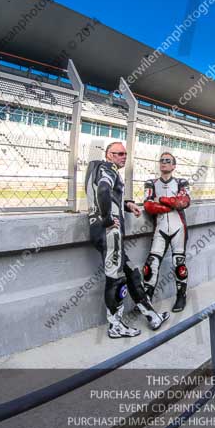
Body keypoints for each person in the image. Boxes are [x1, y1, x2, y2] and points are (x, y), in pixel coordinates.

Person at [85, 142, 169, 338]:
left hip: (102, 230)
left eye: (125, 154)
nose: (123, 157)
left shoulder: (97, 169)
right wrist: (107, 219)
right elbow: (103, 190)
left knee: (132, 274)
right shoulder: (109, 168)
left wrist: (127, 204)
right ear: (109, 154)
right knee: (116, 278)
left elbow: (107, 194)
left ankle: (152, 316)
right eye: (119, 153)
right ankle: (115, 326)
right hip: (109, 232)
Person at [142, 152, 191, 313]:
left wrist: (161, 200)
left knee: (179, 263)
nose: (164, 163)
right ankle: (146, 299)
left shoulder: (181, 182)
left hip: (179, 228)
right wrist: (172, 204)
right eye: (161, 160)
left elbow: (183, 202)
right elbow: (148, 206)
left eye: (168, 161)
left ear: (174, 166)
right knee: (151, 264)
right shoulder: (150, 183)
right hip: (160, 228)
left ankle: (181, 296)